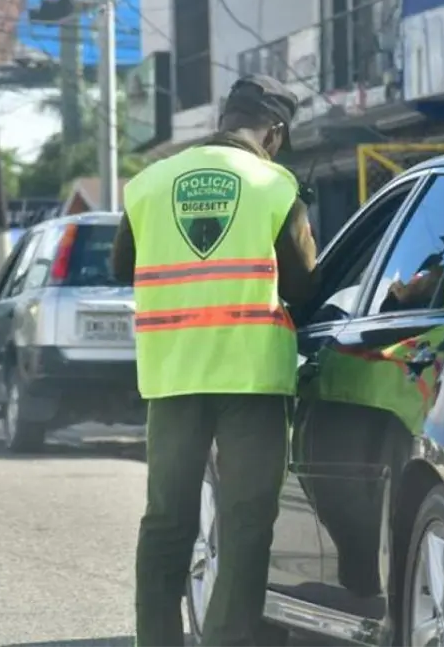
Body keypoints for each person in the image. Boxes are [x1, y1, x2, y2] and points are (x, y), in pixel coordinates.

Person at [111, 74, 319, 647]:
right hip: (252, 375)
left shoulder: (149, 183)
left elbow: (119, 265)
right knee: (246, 521)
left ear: (224, 119)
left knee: (166, 522)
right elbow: (304, 287)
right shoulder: (276, 186)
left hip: (173, 373)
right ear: (274, 132)